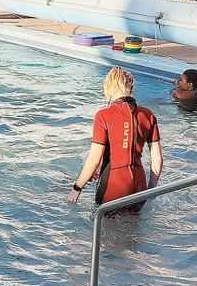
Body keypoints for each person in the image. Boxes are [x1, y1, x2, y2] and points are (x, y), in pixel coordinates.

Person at [67, 67, 163, 211]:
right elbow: (157, 160)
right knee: (133, 230)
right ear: (131, 88)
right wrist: (150, 190)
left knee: (104, 230)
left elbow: (94, 159)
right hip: (139, 185)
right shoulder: (148, 115)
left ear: (109, 87)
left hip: (113, 186)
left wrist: (77, 187)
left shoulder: (103, 115)